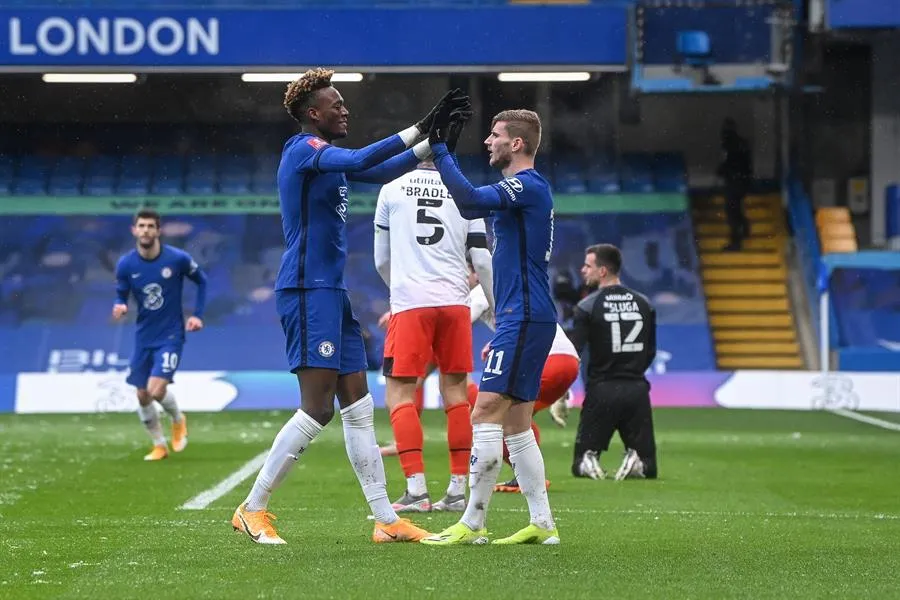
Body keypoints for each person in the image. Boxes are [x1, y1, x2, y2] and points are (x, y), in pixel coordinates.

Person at [231, 68, 471, 545]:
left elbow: (378, 169)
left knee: (359, 409)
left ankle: (386, 520)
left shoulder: (328, 159)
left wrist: (435, 145)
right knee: (317, 409)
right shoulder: (304, 150)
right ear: (312, 113)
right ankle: (251, 508)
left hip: (330, 293)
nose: (345, 110)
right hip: (306, 290)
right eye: (336, 104)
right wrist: (421, 127)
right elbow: (365, 156)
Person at [421, 107, 560, 546]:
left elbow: (468, 201)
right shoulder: (523, 190)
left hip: (523, 315)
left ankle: (473, 522)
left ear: (516, 143)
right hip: (525, 313)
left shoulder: (527, 186)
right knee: (517, 422)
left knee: (483, 412)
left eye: (495, 134)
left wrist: (440, 150)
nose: (488, 141)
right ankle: (542, 523)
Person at [373, 148, 493, 513]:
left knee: (400, 395)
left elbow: (381, 259)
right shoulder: (465, 192)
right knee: (456, 394)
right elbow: (483, 260)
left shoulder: (391, 189)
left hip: (412, 303)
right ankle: (458, 490)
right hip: (456, 302)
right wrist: (493, 302)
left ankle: (416, 490)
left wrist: (399, 290)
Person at [465, 272, 579, 493]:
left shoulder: (481, 290)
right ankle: (526, 477)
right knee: (515, 417)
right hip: (568, 360)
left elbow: (462, 321)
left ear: (476, 273)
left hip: (548, 359)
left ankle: (528, 477)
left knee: (502, 419)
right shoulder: (514, 286)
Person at [112, 209, 206, 462]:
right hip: (144, 335)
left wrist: (197, 314)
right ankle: (159, 445)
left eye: (150, 226)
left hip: (171, 334)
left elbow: (202, 281)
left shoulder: (177, 259)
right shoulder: (126, 264)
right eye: (141, 226)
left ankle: (178, 418)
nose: (145, 230)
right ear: (134, 230)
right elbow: (121, 293)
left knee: (155, 390)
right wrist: (119, 305)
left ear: (158, 231)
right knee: (141, 394)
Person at [568, 244, 658, 481]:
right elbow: (650, 351)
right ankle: (636, 462)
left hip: (602, 391)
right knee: (649, 466)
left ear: (603, 271)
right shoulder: (644, 303)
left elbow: (573, 352)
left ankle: (590, 461)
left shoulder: (587, 306)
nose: (582, 270)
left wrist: (561, 390)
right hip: (637, 391)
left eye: (588, 266)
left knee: (580, 463)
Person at [717, 118, 752, 252]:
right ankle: (744, 227)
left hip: (733, 182)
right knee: (736, 208)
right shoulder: (743, 144)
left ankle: (736, 241)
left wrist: (721, 171)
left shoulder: (728, 145)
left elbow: (729, 163)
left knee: (731, 212)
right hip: (742, 182)